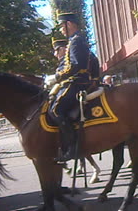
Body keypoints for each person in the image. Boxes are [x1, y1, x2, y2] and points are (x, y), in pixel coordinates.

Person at [45, 12, 91, 163]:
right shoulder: (73, 40)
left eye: (62, 26)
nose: (62, 30)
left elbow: (76, 65)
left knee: (55, 110)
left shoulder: (76, 41)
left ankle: (73, 147)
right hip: (73, 81)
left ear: (69, 24)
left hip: (78, 82)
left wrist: (58, 77)